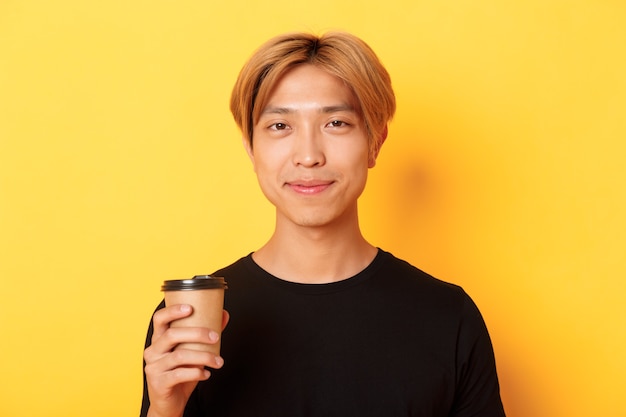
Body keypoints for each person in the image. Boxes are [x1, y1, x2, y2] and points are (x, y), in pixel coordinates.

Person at [141, 31, 506, 417]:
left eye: (335, 123)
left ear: (375, 143)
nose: (309, 156)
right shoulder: (193, 322)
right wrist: (165, 410)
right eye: (280, 126)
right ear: (251, 148)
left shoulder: (449, 317)